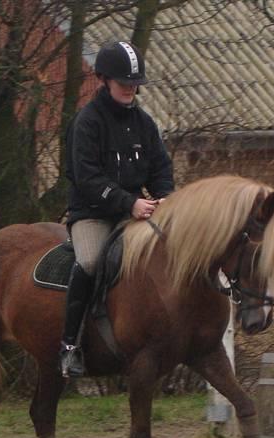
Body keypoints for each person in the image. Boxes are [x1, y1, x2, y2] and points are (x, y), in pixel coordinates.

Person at [59, 40, 174, 378]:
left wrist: (165, 196)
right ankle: (69, 345)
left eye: (135, 84)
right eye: (124, 83)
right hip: (92, 213)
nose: (130, 89)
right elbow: (87, 177)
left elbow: (160, 168)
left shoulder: (144, 123)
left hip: (133, 211)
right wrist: (130, 202)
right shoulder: (86, 123)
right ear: (104, 79)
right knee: (91, 261)